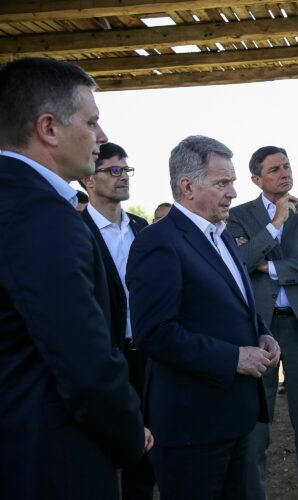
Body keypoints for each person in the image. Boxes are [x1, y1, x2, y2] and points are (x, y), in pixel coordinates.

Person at [0, 57, 148, 500]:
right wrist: (127, 433)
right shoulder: (43, 214)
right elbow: (82, 360)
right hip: (49, 459)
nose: (101, 139)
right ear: (49, 128)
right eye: (92, 121)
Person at [126, 135, 280, 500]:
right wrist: (233, 358)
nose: (232, 193)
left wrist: (262, 333)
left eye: (232, 182)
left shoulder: (222, 236)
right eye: (222, 183)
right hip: (192, 426)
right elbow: (154, 332)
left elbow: (235, 303)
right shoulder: (157, 241)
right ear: (187, 186)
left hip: (233, 417)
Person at [227, 146, 298, 500]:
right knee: (256, 426)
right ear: (257, 179)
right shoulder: (238, 215)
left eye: (286, 166)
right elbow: (239, 259)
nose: (284, 173)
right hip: (259, 330)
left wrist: (269, 266)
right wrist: (274, 227)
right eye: (274, 169)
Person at [79, 141, 155, 500]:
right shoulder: (75, 231)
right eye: (113, 170)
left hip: (150, 356)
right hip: (104, 359)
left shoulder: (143, 229)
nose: (123, 176)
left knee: (146, 455)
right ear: (89, 180)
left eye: (126, 169)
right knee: (101, 452)